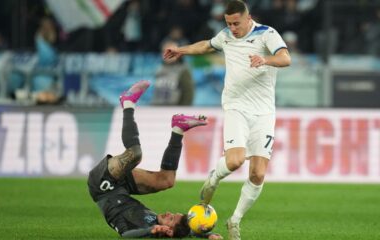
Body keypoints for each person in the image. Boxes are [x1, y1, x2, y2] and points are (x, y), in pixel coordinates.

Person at [163, 1, 291, 240]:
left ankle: (235, 220)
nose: (232, 28)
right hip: (236, 108)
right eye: (229, 24)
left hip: (264, 113)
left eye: (236, 23)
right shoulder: (226, 36)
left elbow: (285, 58)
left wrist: (265, 60)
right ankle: (214, 177)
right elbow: (206, 46)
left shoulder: (267, 34)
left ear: (248, 18)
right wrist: (181, 49)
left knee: (258, 174)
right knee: (234, 162)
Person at [87, 80, 222, 239]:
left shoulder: (147, 227)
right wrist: (207, 236)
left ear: (167, 231)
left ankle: (128, 102)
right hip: (121, 187)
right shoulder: (165, 226)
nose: (168, 213)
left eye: (171, 218)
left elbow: (126, 235)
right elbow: (186, 231)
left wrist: (150, 231)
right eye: (174, 214)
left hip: (102, 185)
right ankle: (178, 128)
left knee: (135, 154)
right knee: (167, 180)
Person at [151, 39, 194, 106]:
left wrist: (182, 112)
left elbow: (188, 94)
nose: (168, 55)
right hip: (156, 109)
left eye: (171, 52)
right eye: (164, 51)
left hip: (173, 110)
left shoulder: (183, 70)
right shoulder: (158, 68)